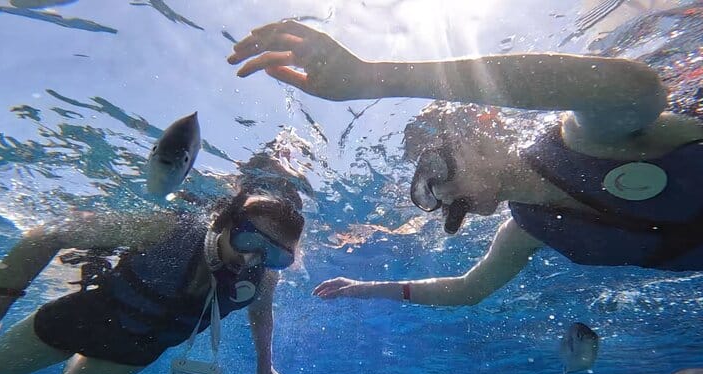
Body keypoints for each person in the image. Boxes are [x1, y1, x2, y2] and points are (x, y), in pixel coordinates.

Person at [227, 19, 703, 306]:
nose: (442, 194)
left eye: (435, 169)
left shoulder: (584, 140)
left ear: (481, 134)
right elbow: (466, 290)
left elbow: (634, 88)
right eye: (429, 194)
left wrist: (372, 78)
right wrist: (362, 287)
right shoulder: (526, 229)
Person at [0, 165, 305, 374]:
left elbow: (261, 315)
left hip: (139, 350)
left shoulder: (264, 279)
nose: (251, 259)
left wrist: (266, 367)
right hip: (84, 317)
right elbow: (48, 234)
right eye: (248, 240)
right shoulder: (169, 229)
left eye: (274, 255)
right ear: (225, 223)